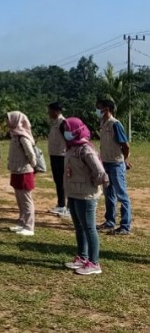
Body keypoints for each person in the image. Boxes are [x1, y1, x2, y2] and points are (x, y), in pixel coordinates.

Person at [61, 117, 109, 276]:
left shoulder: (86, 149)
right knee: (79, 227)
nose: (65, 133)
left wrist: (91, 184)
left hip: (86, 195)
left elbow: (100, 172)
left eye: (68, 129)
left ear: (76, 131)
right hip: (74, 193)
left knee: (89, 228)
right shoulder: (71, 147)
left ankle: (94, 263)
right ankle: (82, 257)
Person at [96, 99, 132, 235]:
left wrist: (124, 160)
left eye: (99, 108)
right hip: (105, 163)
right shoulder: (103, 123)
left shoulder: (115, 124)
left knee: (122, 195)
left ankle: (125, 226)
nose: (97, 111)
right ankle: (109, 222)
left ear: (106, 109)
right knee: (109, 194)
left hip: (116, 164)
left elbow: (125, 145)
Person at [6, 111, 37, 236]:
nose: (7, 122)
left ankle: (29, 227)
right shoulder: (14, 134)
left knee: (26, 200)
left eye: (8, 119)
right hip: (16, 171)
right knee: (19, 199)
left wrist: (32, 166)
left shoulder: (23, 136)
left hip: (24, 171)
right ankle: (22, 222)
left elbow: (31, 154)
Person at [47, 102, 68, 216]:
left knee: (64, 181)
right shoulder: (54, 123)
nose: (48, 113)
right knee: (58, 181)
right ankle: (61, 204)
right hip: (54, 155)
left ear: (55, 111)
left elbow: (68, 140)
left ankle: (66, 207)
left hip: (62, 156)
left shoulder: (62, 123)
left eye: (49, 110)